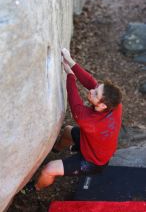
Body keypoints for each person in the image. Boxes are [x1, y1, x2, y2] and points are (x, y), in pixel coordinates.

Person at [35, 48, 122, 190]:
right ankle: (56, 150)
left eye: (95, 94)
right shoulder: (115, 105)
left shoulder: (88, 120)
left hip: (92, 162)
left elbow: (75, 103)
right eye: (96, 89)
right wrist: (69, 60)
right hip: (94, 144)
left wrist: (70, 74)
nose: (91, 91)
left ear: (102, 105)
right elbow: (90, 81)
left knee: (49, 169)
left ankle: (36, 188)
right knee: (68, 131)